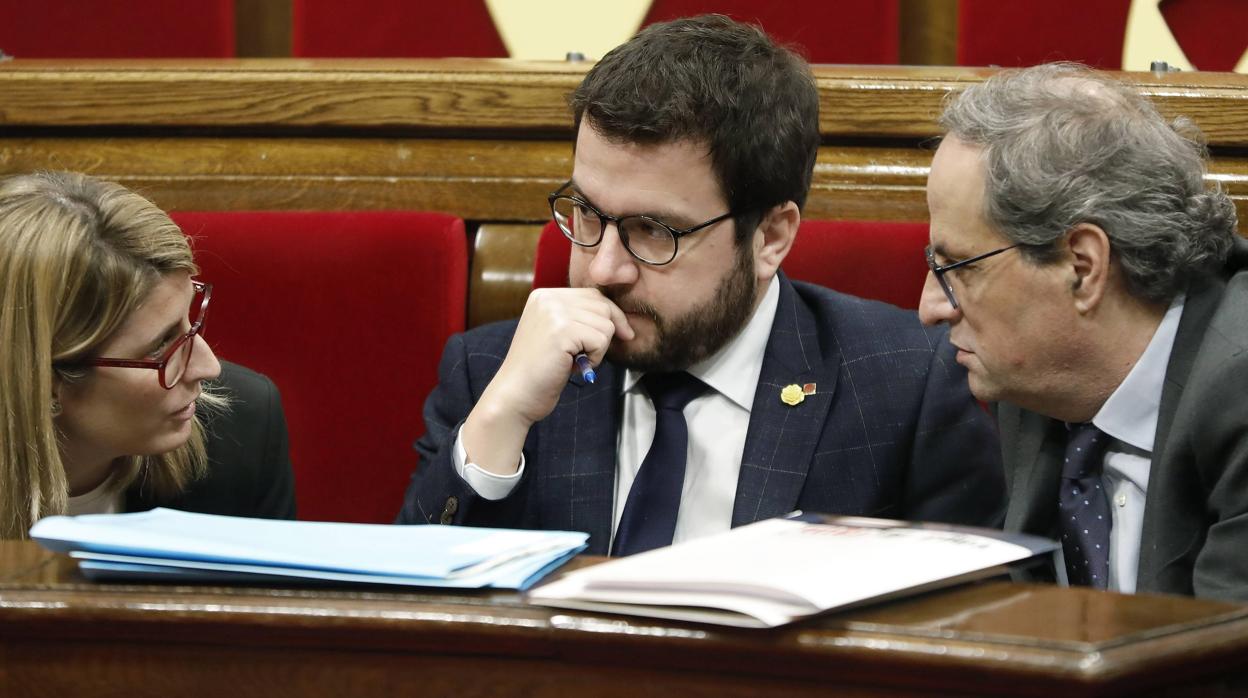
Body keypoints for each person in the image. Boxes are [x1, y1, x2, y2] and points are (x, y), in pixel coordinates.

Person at [398, 15, 1003, 555]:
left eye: (655, 231)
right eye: (586, 212)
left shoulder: (904, 386)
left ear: (770, 236)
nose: (604, 268)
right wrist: (500, 420)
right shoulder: (494, 374)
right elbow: (402, 628)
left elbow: (968, 640)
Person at [918, 63, 1247, 598]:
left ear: (1083, 265)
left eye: (960, 269)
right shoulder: (1035, 374)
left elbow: (1224, 665)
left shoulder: (1238, 389)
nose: (931, 308)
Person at [0, 171, 296, 539]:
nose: (209, 367)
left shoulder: (243, 431)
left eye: (191, 320)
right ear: (45, 381)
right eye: (160, 346)